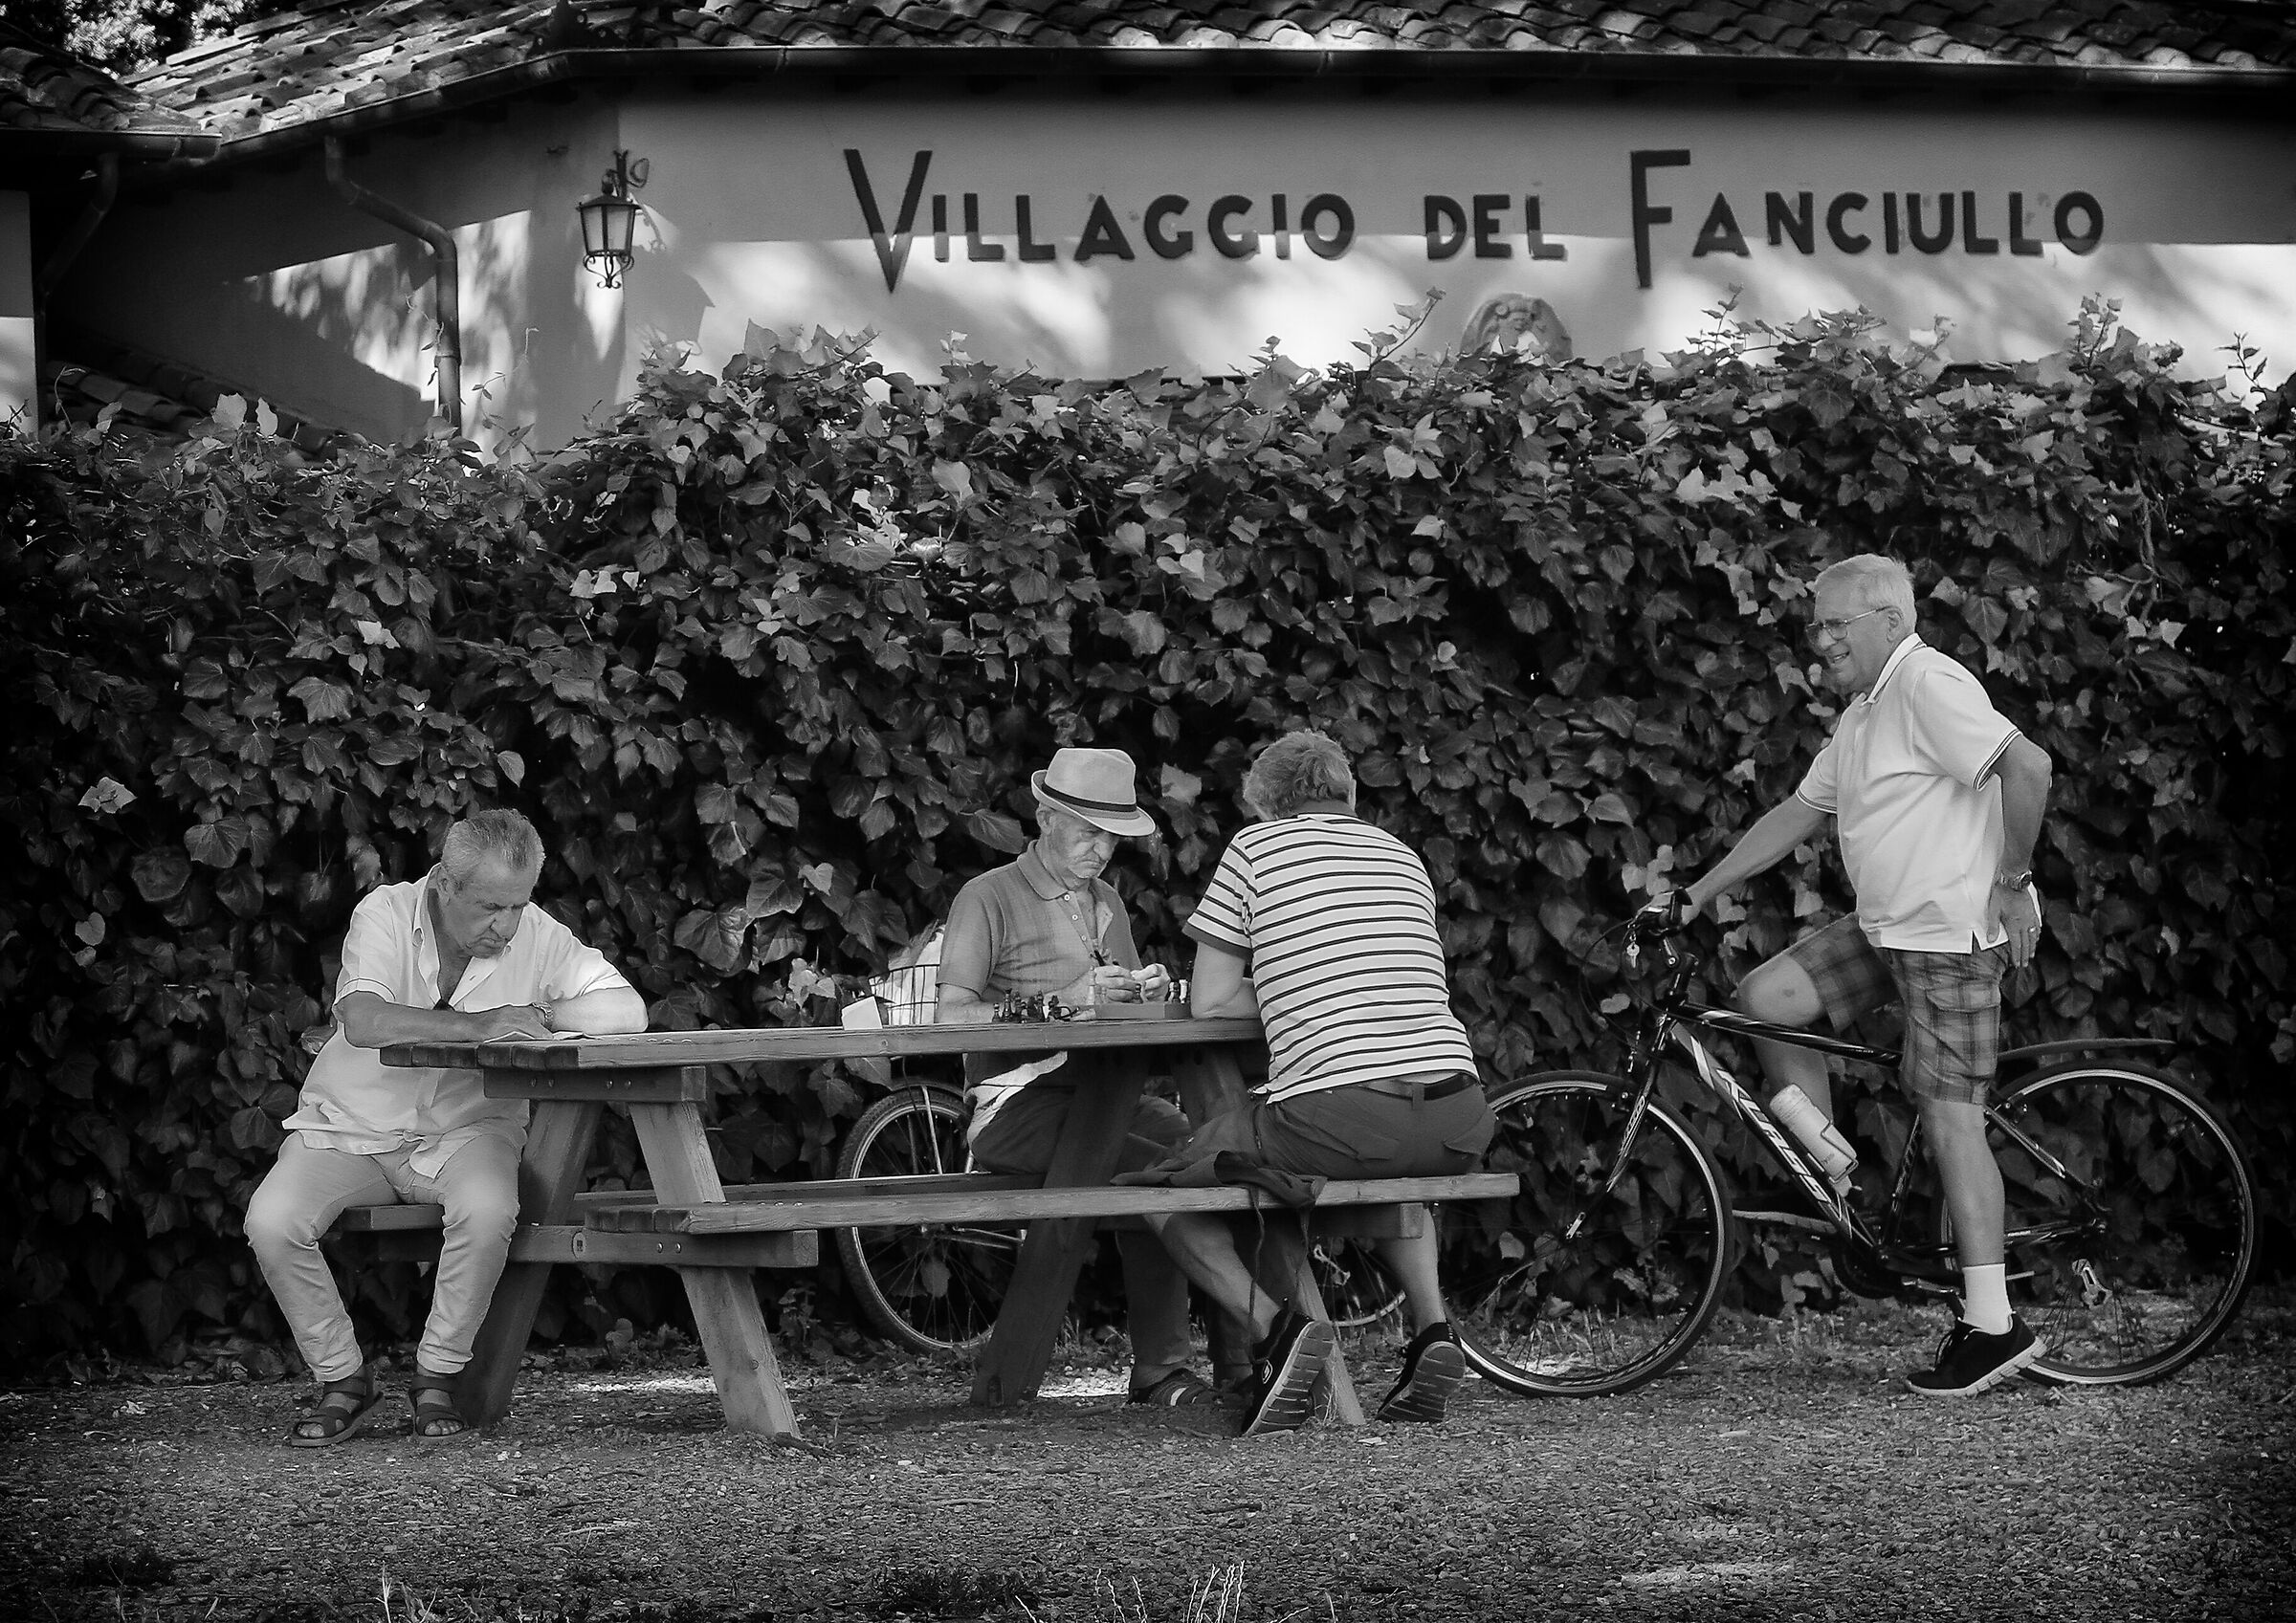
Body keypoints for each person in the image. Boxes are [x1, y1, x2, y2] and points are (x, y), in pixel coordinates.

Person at [1671, 553, 2054, 1396]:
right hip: (1886, 931)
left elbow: (2029, 768)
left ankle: (1993, 1324)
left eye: (1835, 625)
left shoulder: (1926, 684)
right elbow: (1797, 813)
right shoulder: (1864, 713)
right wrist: (1696, 894)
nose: (1821, 641)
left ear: (1889, 620)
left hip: (1948, 937)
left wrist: (2015, 881)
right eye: (1817, 626)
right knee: (1766, 999)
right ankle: (1841, 1182)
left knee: (1952, 1119)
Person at [246, 810, 647, 1445]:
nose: (506, 925)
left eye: (518, 904)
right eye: (490, 906)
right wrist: (482, 1025)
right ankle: (344, 1379)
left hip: (469, 1132)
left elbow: (628, 1009)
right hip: (354, 1128)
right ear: (442, 884)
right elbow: (365, 1020)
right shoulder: (384, 913)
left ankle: (437, 1377)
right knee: (272, 1219)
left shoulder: (537, 934)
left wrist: (541, 1010)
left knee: (489, 1209)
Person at [1145, 729, 1496, 1436]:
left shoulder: (1256, 850)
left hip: (1344, 1118)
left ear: (1267, 806)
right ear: (1347, 795)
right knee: (1389, 1175)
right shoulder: (1401, 856)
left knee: (1164, 1187)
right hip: (1458, 1115)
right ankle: (1433, 1331)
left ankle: (1278, 1334)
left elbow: (1211, 1001)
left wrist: (1284, 991)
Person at [935, 746, 1226, 1408]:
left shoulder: (1109, 904)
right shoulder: (988, 896)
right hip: (1012, 1110)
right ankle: (1175, 1364)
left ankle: (1213, 1361)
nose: (1100, 849)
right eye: (1087, 831)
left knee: (1191, 1143)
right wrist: (1069, 997)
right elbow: (950, 1015)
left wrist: (1147, 990)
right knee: (1159, 1173)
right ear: (1044, 816)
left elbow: (1115, 1015)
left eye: (1112, 836)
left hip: (1105, 1098)